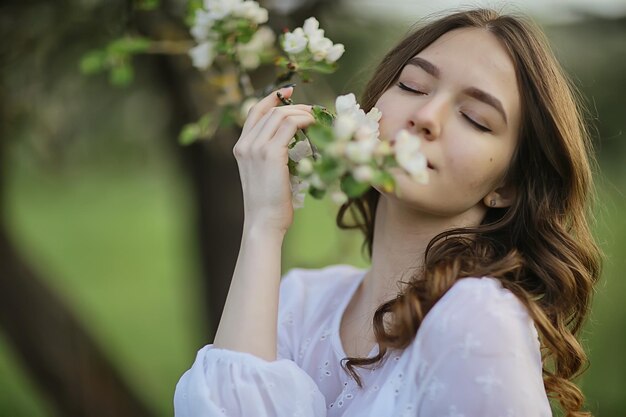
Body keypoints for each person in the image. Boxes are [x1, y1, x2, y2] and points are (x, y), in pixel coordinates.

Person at [174, 8, 601, 417]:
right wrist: (263, 227)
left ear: (506, 186)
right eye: (414, 86)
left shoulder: (479, 319)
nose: (425, 116)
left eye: (474, 118)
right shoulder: (301, 300)